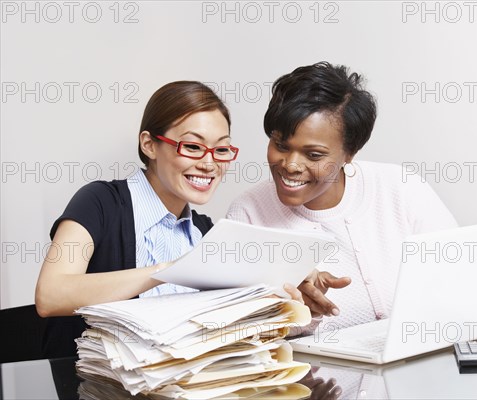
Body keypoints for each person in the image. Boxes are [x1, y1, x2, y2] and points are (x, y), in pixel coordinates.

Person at [35, 81, 300, 358]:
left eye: (221, 150)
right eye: (193, 147)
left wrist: (275, 296)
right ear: (149, 144)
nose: (209, 164)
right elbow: (51, 295)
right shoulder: (100, 202)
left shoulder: (205, 231)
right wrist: (168, 271)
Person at [226, 62, 458, 332]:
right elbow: (245, 336)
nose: (290, 165)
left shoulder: (401, 189)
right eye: (280, 145)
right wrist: (300, 314)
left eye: (314, 155)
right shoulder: (247, 215)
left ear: (350, 152)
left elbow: (459, 281)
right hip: (314, 374)